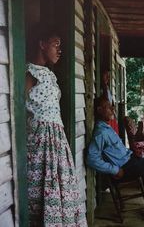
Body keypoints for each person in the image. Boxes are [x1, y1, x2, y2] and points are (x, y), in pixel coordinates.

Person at [25, 25, 87, 227]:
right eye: (55, 44)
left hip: (57, 142)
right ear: (42, 45)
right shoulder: (30, 72)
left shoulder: (51, 75)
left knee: (62, 190)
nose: (60, 50)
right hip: (41, 141)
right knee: (41, 191)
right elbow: (19, 105)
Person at [87, 97, 144, 226]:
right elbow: (91, 159)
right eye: (108, 107)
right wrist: (114, 169)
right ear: (99, 110)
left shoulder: (106, 127)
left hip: (131, 160)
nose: (112, 109)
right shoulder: (101, 132)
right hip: (126, 168)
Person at [101, 69, 119, 134]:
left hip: (111, 115)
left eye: (108, 76)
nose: (108, 78)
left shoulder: (107, 87)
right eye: (106, 75)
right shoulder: (102, 89)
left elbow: (111, 102)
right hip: (106, 116)